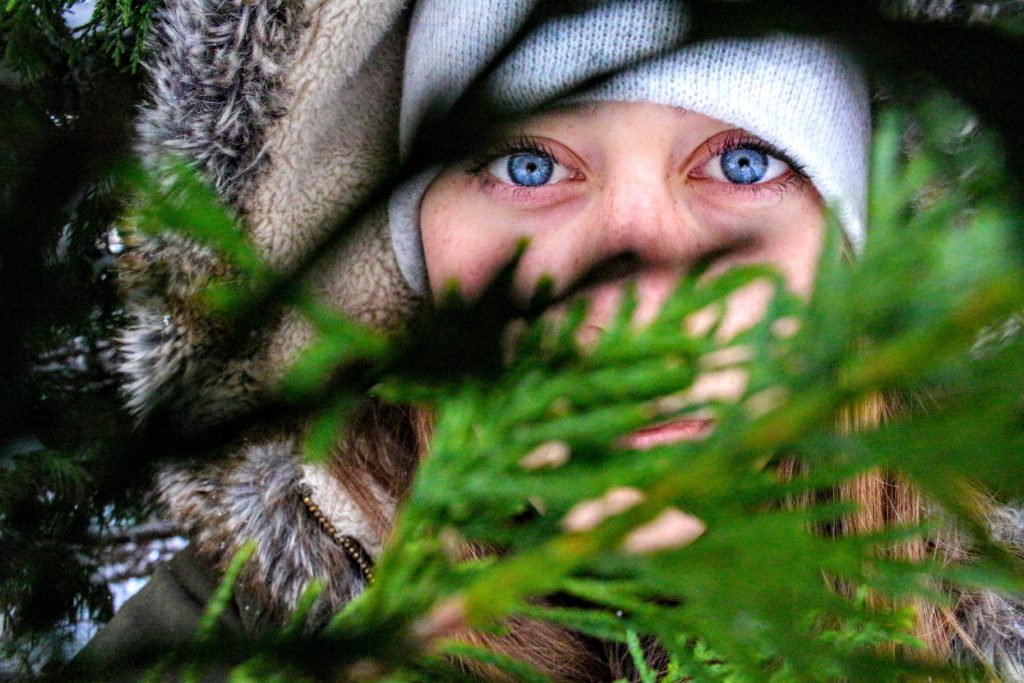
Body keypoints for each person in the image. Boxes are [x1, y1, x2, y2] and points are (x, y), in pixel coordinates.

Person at [78, 0, 1022, 680]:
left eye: (745, 162)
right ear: (406, 251)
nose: (640, 299)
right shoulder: (222, 642)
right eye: (531, 166)